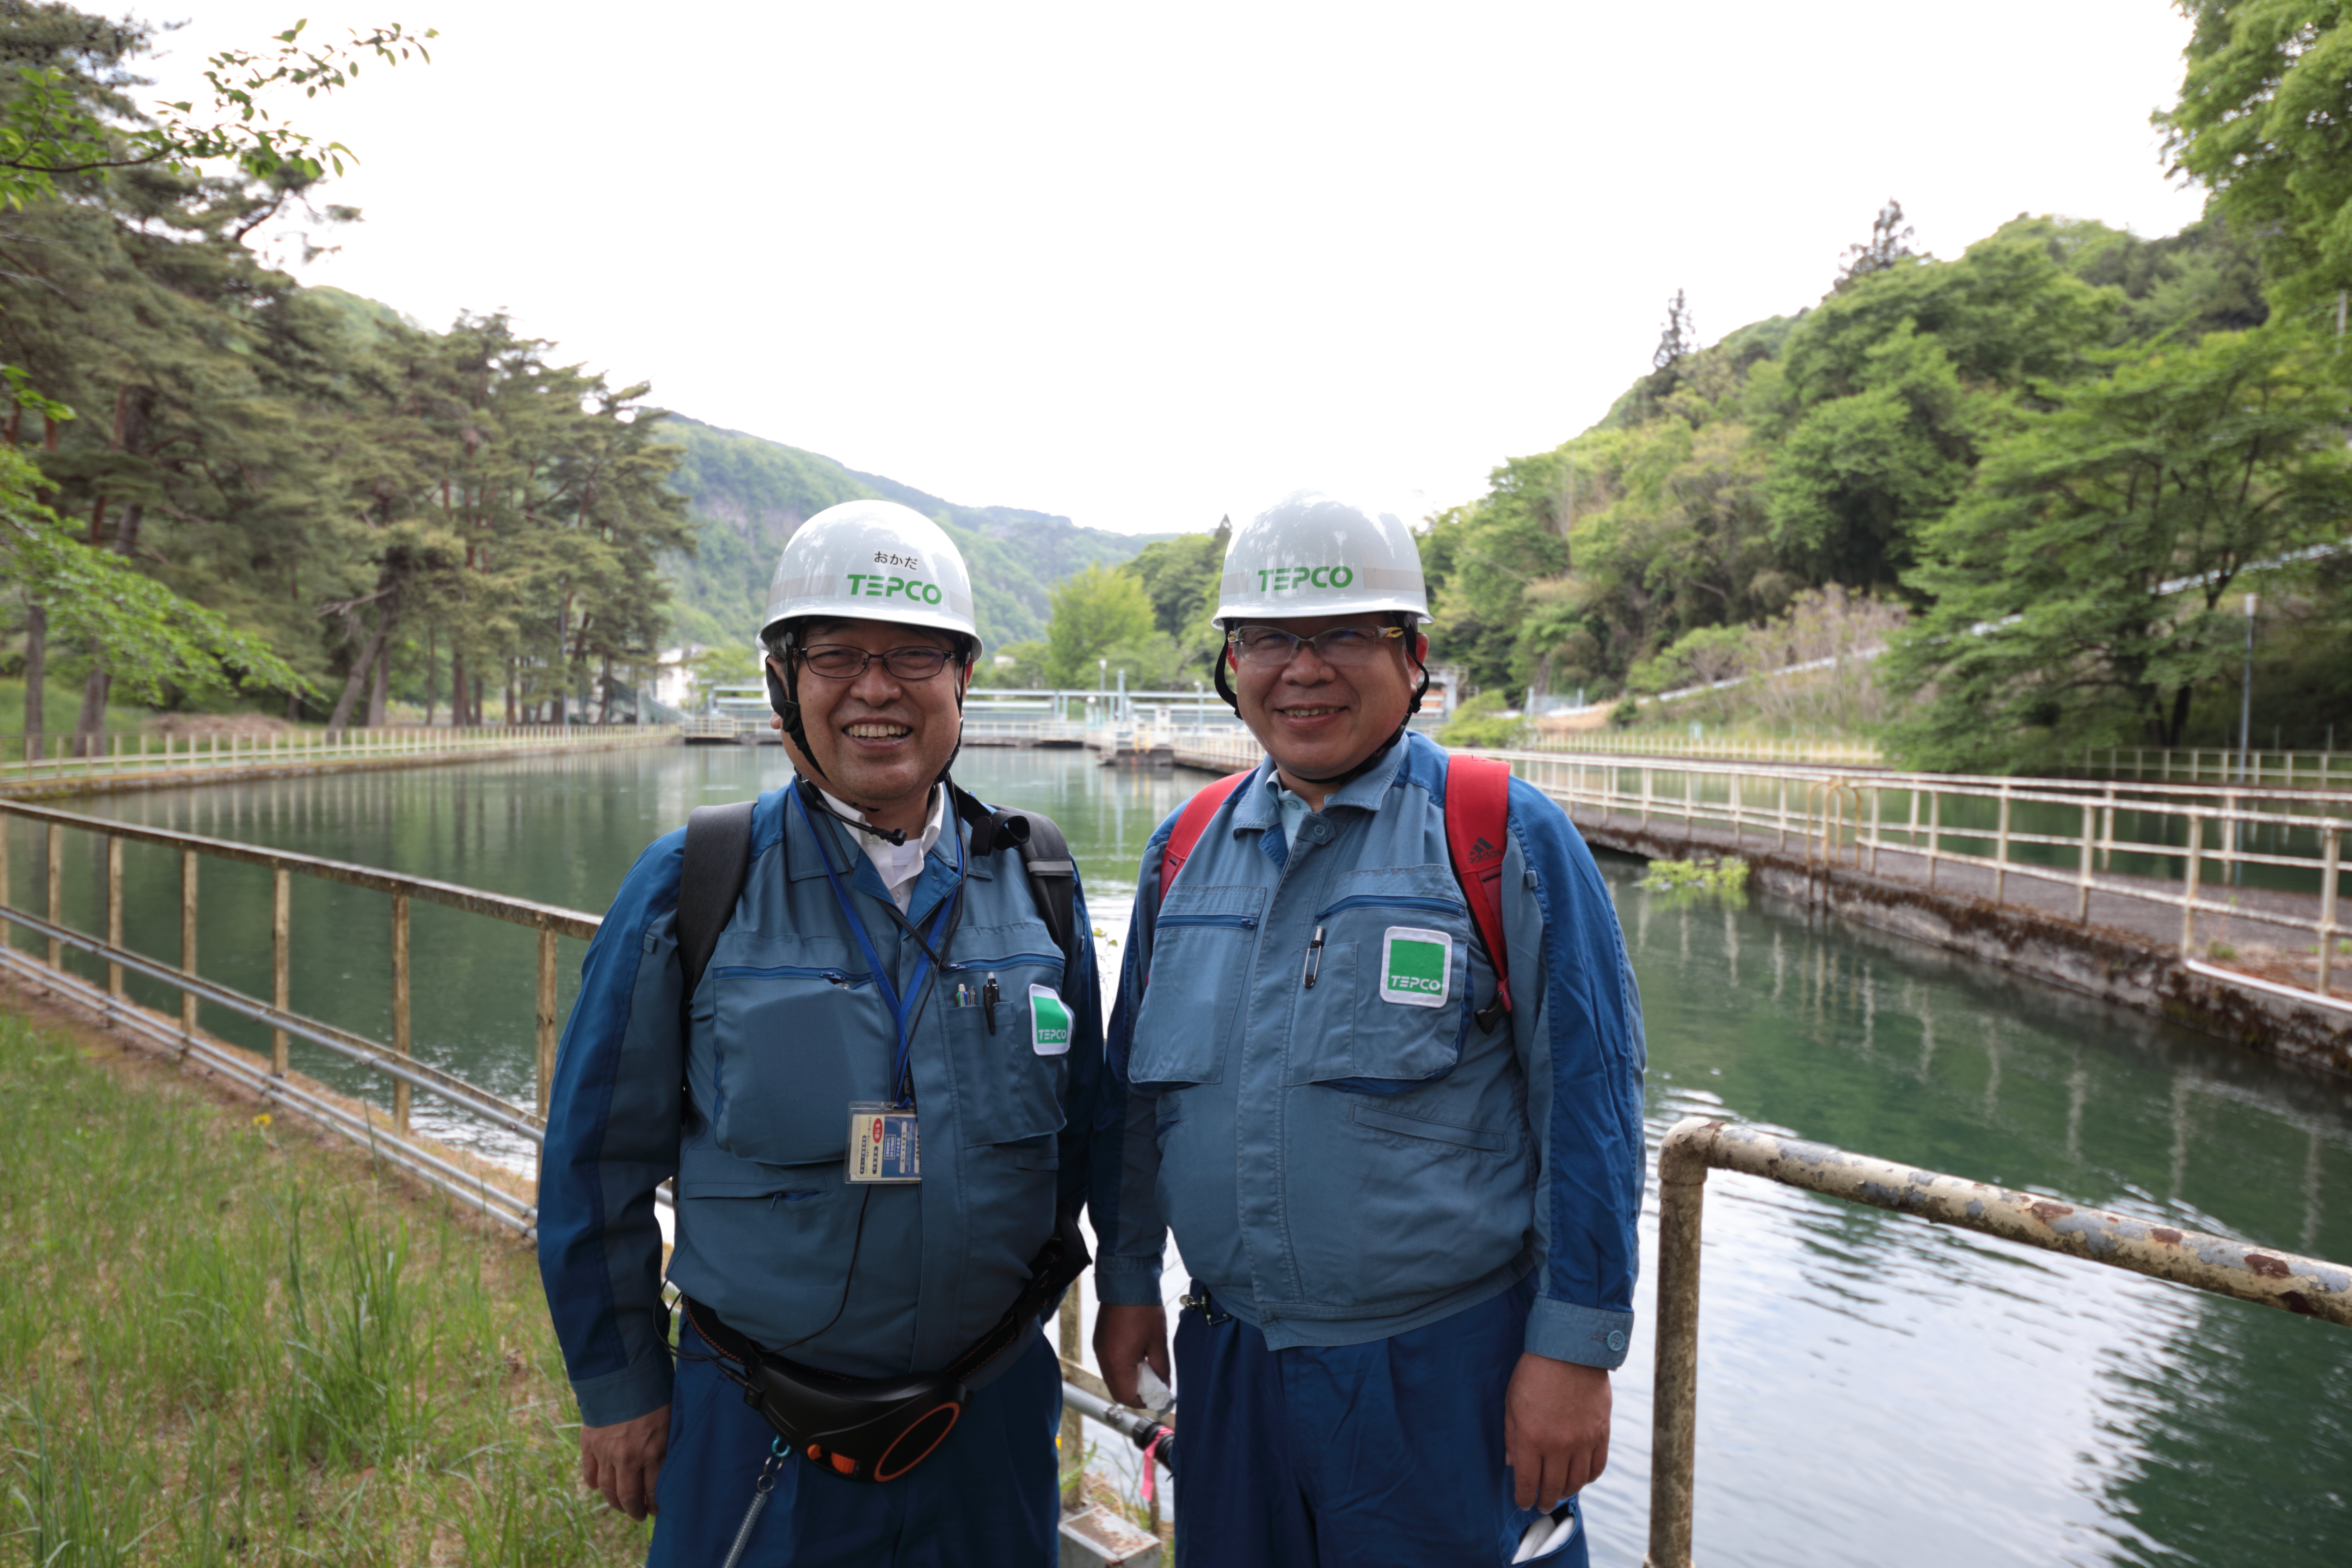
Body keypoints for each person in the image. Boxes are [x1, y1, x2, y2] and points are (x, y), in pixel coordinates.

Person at [537, 499, 1103, 1566]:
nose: (875, 687)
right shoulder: (691, 886)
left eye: (913, 656)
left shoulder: (1039, 884)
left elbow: (1085, 1133)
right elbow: (593, 1162)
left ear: (963, 678)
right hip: (756, 1422)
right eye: (835, 654)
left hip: (986, 1427)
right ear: (783, 680)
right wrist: (618, 1387)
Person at [1090, 491, 1645, 1567]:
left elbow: (1592, 1102)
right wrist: (1123, 1281)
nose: (1304, 669)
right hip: (1232, 1354)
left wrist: (1574, 1350)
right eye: (1268, 639)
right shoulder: (1182, 849)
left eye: (1347, 634)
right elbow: (1131, 1105)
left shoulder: (1496, 833)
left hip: (1443, 1368)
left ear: (1414, 657)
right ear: (1230, 661)